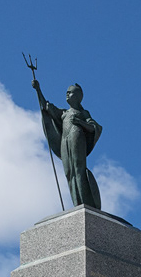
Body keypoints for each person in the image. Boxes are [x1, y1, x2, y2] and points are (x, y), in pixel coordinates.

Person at [32, 80, 103, 210]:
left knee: (78, 169)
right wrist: (38, 89)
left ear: (77, 96)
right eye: (67, 92)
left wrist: (80, 123)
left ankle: (86, 203)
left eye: (70, 92)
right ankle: (77, 203)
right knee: (69, 172)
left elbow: (94, 127)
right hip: (65, 141)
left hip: (77, 136)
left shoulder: (83, 113)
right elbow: (47, 107)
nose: (67, 94)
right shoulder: (64, 113)